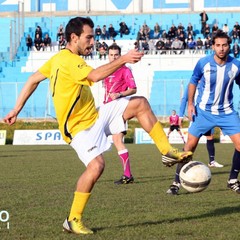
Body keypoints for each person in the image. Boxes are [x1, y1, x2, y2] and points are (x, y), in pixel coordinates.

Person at [3, 17, 192, 235]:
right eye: (89, 37)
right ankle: (72, 220)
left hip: (94, 116)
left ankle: (166, 150)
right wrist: (123, 59)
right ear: (74, 38)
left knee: (140, 104)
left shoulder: (57, 59)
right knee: (96, 166)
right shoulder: (68, 61)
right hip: (78, 129)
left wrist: (16, 109)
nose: (93, 42)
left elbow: (32, 80)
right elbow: (94, 75)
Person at [167, 30, 240, 195]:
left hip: (227, 112)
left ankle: (233, 180)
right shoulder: (203, 63)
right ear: (213, 46)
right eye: (218, 45)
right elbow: (193, 81)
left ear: (230, 46)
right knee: (189, 147)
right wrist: (190, 104)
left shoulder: (236, 65)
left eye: (224, 45)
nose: (221, 48)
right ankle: (175, 183)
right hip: (203, 112)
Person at [103, 44, 137, 184]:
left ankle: (127, 175)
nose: (113, 57)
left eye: (116, 55)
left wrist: (119, 94)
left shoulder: (125, 70)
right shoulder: (105, 70)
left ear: (120, 55)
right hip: (105, 109)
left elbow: (133, 89)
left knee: (118, 141)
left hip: (117, 110)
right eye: (111, 55)